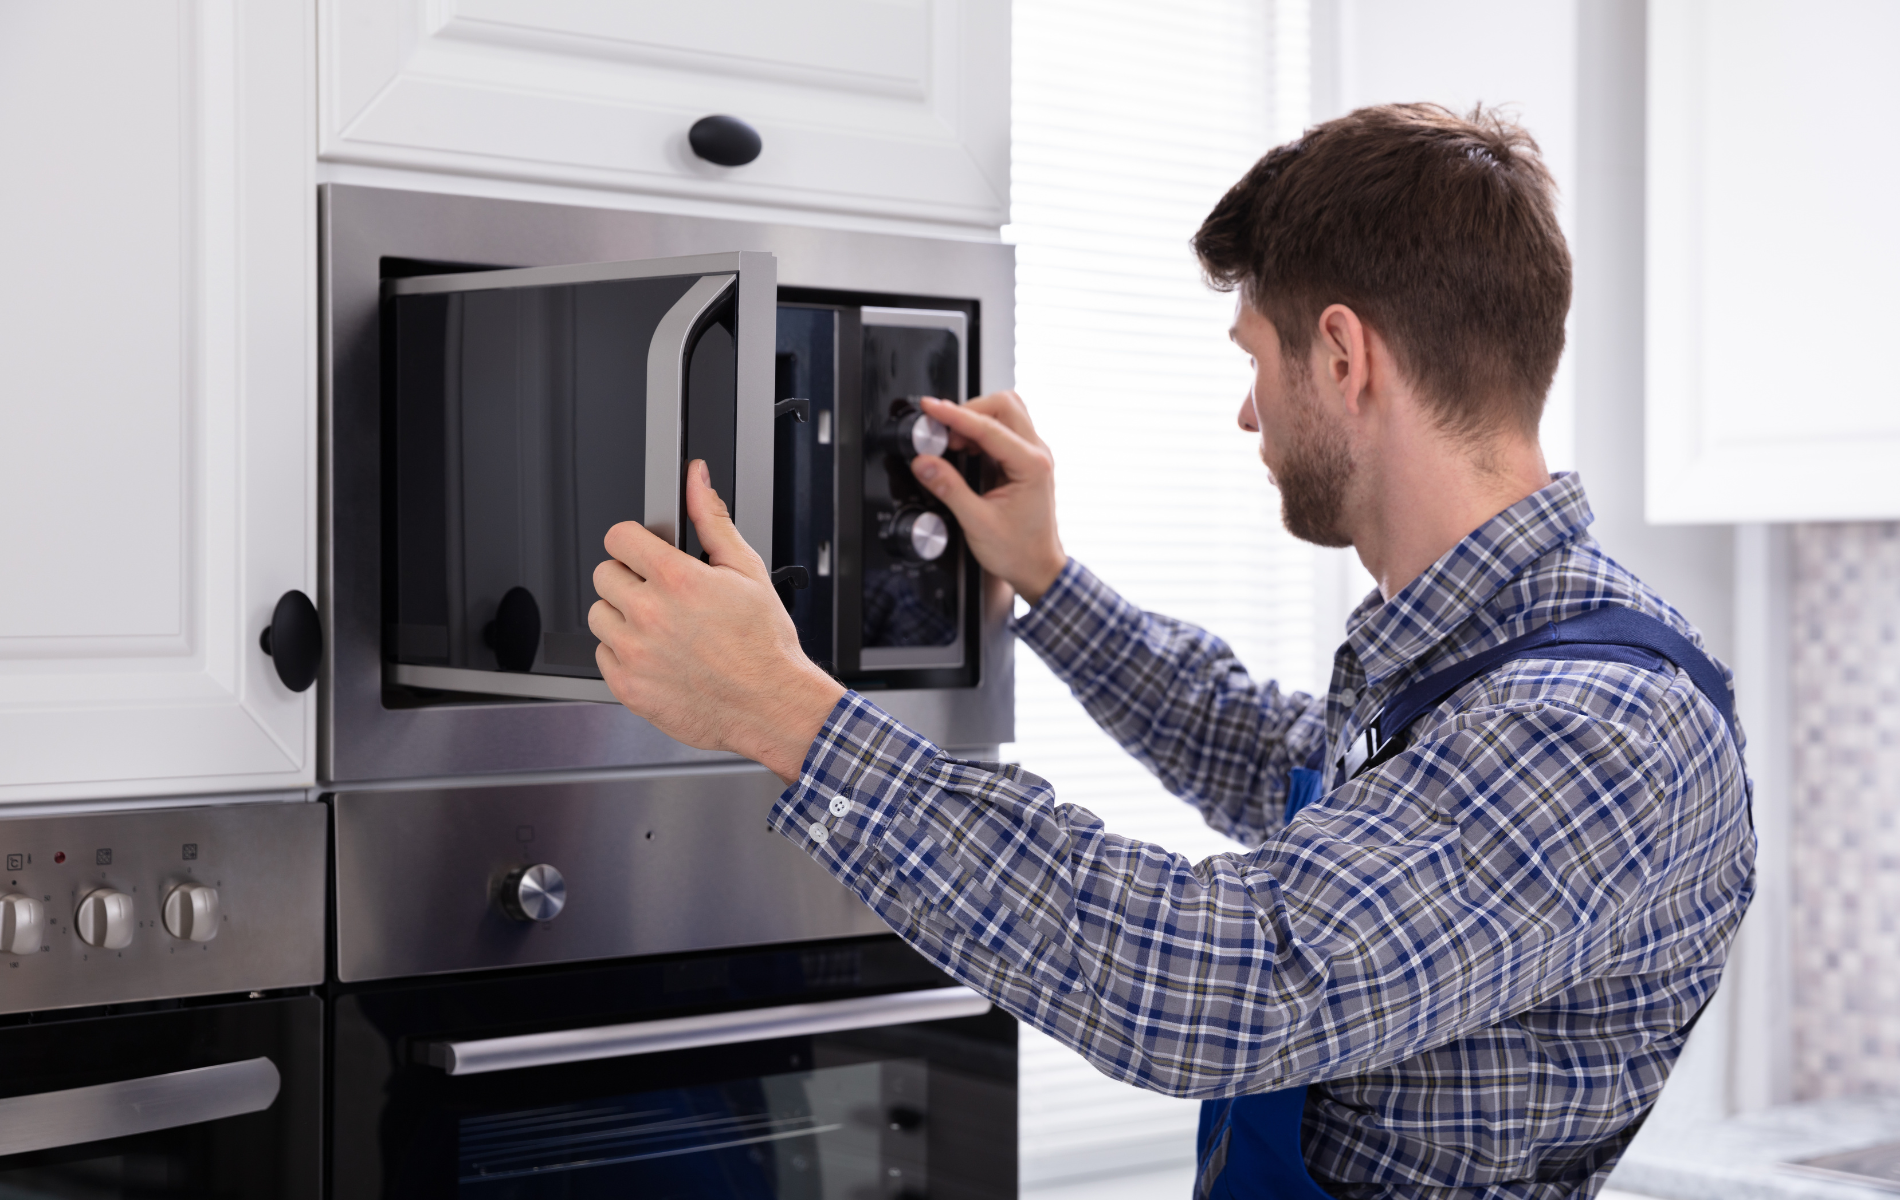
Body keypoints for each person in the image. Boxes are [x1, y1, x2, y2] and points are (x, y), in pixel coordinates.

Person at [586, 103, 1754, 1199]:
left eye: (1255, 359)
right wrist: (1046, 578)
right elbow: (1269, 757)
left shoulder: (1593, 726)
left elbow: (1226, 983)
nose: (1249, 413)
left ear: (1342, 357)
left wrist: (793, 717)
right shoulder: (1484, 654)